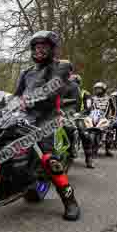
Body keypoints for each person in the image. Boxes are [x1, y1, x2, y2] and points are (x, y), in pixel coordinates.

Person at [13, 31, 81, 221]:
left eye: (44, 46)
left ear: (52, 49)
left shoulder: (62, 66)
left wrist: (30, 99)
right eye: (36, 46)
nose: (39, 49)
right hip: (24, 116)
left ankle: (70, 201)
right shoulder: (26, 72)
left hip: (47, 117)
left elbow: (53, 88)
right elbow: (15, 96)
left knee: (49, 159)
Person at [64, 67, 94, 168]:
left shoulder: (85, 93)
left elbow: (88, 107)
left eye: (75, 82)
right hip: (63, 114)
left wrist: (81, 113)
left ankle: (89, 159)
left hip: (79, 115)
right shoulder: (63, 90)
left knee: (84, 133)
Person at [87, 81, 116, 157]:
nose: (98, 91)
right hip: (94, 116)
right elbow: (88, 108)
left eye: (99, 89)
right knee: (86, 129)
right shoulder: (92, 98)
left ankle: (108, 149)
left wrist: (112, 117)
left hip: (105, 118)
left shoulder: (109, 98)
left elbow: (113, 109)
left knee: (109, 132)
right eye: (96, 89)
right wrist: (86, 113)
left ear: (104, 89)